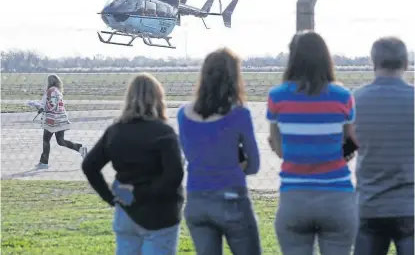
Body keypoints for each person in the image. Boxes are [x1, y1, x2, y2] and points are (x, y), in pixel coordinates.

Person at [267, 31, 358, 255]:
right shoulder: (343, 95)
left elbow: (280, 150)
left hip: (294, 195)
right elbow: (352, 143)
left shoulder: (277, 96)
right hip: (337, 196)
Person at [82, 73, 184, 255]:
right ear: (158, 99)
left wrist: (109, 196)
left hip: (126, 210)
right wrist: (144, 193)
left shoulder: (115, 131)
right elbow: (174, 175)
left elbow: (89, 165)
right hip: (159, 214)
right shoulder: (163, 133)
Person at [177, 47, 262, 255]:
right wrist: (237, 160)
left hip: (197, 200)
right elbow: (254, 165)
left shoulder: (183, 114)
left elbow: (192, 154)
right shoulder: (239, 114)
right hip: (231, 198)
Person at [353, 37, 414, 255]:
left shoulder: (355, 100)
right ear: (406, 63)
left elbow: (345, 150)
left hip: (370, 204)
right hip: (410, 206)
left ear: (373, 63)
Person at [36, 74, 87, 169]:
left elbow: (52, 105)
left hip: (52, 121)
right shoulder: (58, 91)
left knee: (46, 140)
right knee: (60, 141)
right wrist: (42, 106)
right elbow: (52, 103)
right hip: (60, 119)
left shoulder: (51, 91)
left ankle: (44, 163)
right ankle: (80, 148)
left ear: (50, 82)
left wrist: (41, 108)